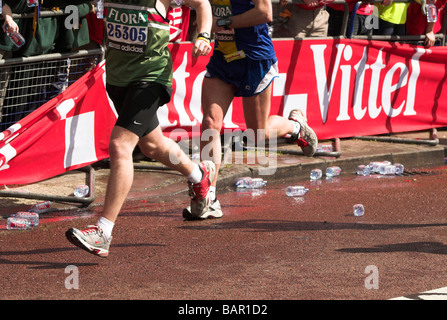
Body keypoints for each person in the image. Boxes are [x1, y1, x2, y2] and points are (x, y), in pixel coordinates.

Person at [65, 0, 213, 258]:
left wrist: (204, 35)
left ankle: (103, 232)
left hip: (151, 77)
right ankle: (199, 175)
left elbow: (202, 4)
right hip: (118, 77)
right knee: (153, 145)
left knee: (120, 145)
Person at [182, 0, 318, 220]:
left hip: (254, 58)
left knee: (258, 134)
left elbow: (265, 12)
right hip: (223, 58)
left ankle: (296, 126)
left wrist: (223, 22)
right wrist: (204, 32)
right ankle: (209, 198)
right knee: (210, 124)